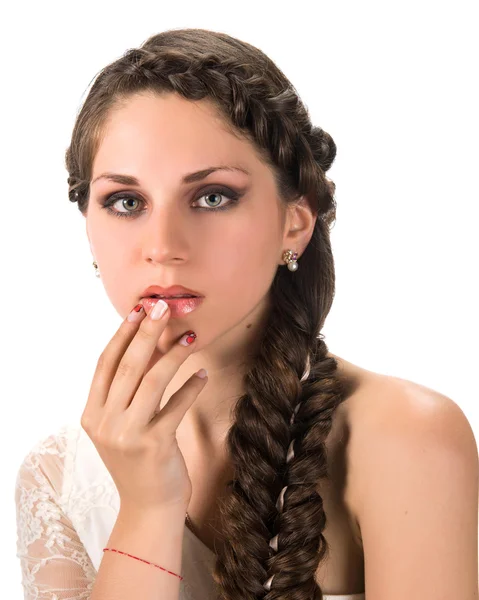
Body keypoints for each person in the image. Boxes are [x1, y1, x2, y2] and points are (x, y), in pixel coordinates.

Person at [14, 27, 478, 600]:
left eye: (212, 196)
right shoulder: (56, 478)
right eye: (126, 202)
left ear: (295, 223)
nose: (162, 245)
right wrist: (148, 509)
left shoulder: (406, 437)